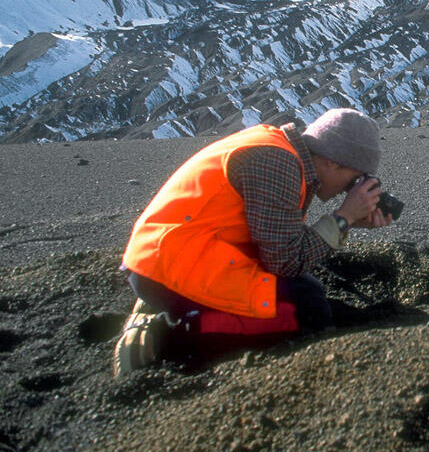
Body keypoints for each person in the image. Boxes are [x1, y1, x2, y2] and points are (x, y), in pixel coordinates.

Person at [113, 108, 392, 376]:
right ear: (333, 160)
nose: (350, 189)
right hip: (167, 267)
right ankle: (164, 336)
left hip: (171, 256)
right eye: (353, 179)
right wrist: (343, 218)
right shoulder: (277, 164)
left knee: (305, 288)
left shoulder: (280, 151)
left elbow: (281, 241)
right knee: (305, 311)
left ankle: (170, 304)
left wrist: (349, 220)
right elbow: (285, 260)